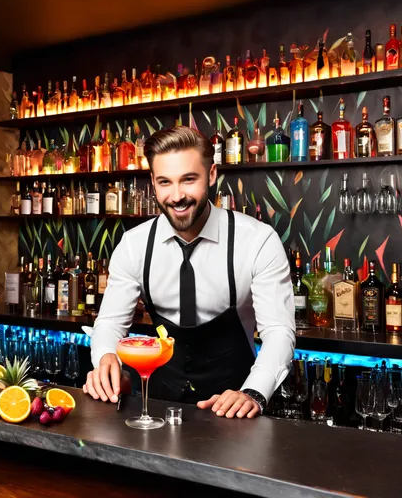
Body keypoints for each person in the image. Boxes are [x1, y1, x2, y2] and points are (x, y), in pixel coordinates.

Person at [83, 126, 295, 419]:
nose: (177, 196)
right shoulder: (134, 245)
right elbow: (109, 323)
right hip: (155, 408)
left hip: (234, 408)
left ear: (211, 174)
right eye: (165, 182)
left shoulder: (257, 241)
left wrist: (254, 392)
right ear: (153, 183)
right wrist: (106, 357)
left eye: (189, 179)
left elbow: (279, 331)